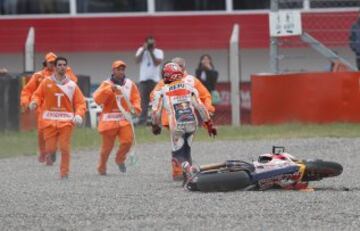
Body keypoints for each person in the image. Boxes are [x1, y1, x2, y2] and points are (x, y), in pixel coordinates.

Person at [151, 63, 217, 181]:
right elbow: (201, 107)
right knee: (187, 150)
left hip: (176, 125)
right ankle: (189, 177)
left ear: (167, 76)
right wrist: (209, 124)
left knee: (177, 154)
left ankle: (188, 169)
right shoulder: (190, 88)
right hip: (192, 123)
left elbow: (155, 112)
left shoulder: (162, 91)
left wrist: (155, 125)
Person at [29, 57, 86, 179]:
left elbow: (80, 103)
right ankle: (52, 153)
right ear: (55, 67)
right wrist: (34, 102)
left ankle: (64, 172)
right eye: (59, 65)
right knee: (50, 148)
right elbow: (38, 95)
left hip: (66, 121)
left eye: (64, 65)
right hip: (49, 120)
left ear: (67, 67)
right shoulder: (46, 82)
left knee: (65, 147)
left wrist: (78, 115)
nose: (62, 67)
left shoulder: (72, 85)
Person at [20, 52, 78, 164]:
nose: (52, 64)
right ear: (45, 63)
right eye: (50, 62)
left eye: (54, 62)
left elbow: (74, 83)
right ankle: (44, 152)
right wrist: (26, 103)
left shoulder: (66, 71)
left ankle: (51, 152)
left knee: (59, 131)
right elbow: (27, 91)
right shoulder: (38, 76)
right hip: (44, 110)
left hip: (61, 109)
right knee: (42, 132)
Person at [93, 60, 141, 175]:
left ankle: (119, 159)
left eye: (122, 69)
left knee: (128, 141)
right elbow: (97, 99)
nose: (120, 71)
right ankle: (102, 167)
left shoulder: (130, 84)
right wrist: (110, 89)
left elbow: (136, 98)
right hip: (109, 121)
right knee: (106, 148)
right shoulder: (106, 84)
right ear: (113, 71)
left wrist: (136, 108)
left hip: (124, 119)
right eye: (118, 69)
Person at [150, 57, 215, 127]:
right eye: (175, 65)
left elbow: (205, 96)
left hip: (188, 117)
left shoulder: (192, 80)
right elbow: (154, 96)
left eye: (180, 66)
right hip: (170, 118)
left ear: (184, 67)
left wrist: (208, 108)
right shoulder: (164, 82)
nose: (177, 68)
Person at [135, 35, 164, 124]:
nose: (151, 45)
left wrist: (151, 52)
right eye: (149, 43)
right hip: (143, 81)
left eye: (152, 43)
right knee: (143, 102)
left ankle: (157, 120)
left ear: (155, 43)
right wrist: (144, 49)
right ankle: (142, 121)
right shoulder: (141, 50)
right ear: (145, 43)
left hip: (155, 81)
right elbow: (136, 60)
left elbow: (157, 63)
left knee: (156, 101)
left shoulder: (158, 51)